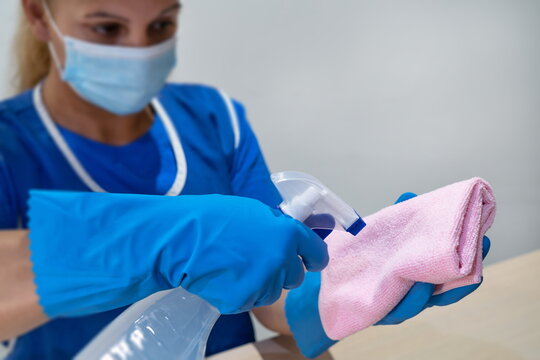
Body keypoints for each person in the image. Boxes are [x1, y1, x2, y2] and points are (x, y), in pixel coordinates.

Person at [0, 0, 491, 359]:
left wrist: (356, 287)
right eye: (107, 28)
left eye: (161, 25)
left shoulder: (214, 119)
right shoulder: (10, 145)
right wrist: (151, 241)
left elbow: (271, 301)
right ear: (40, 17)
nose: (139, 50)